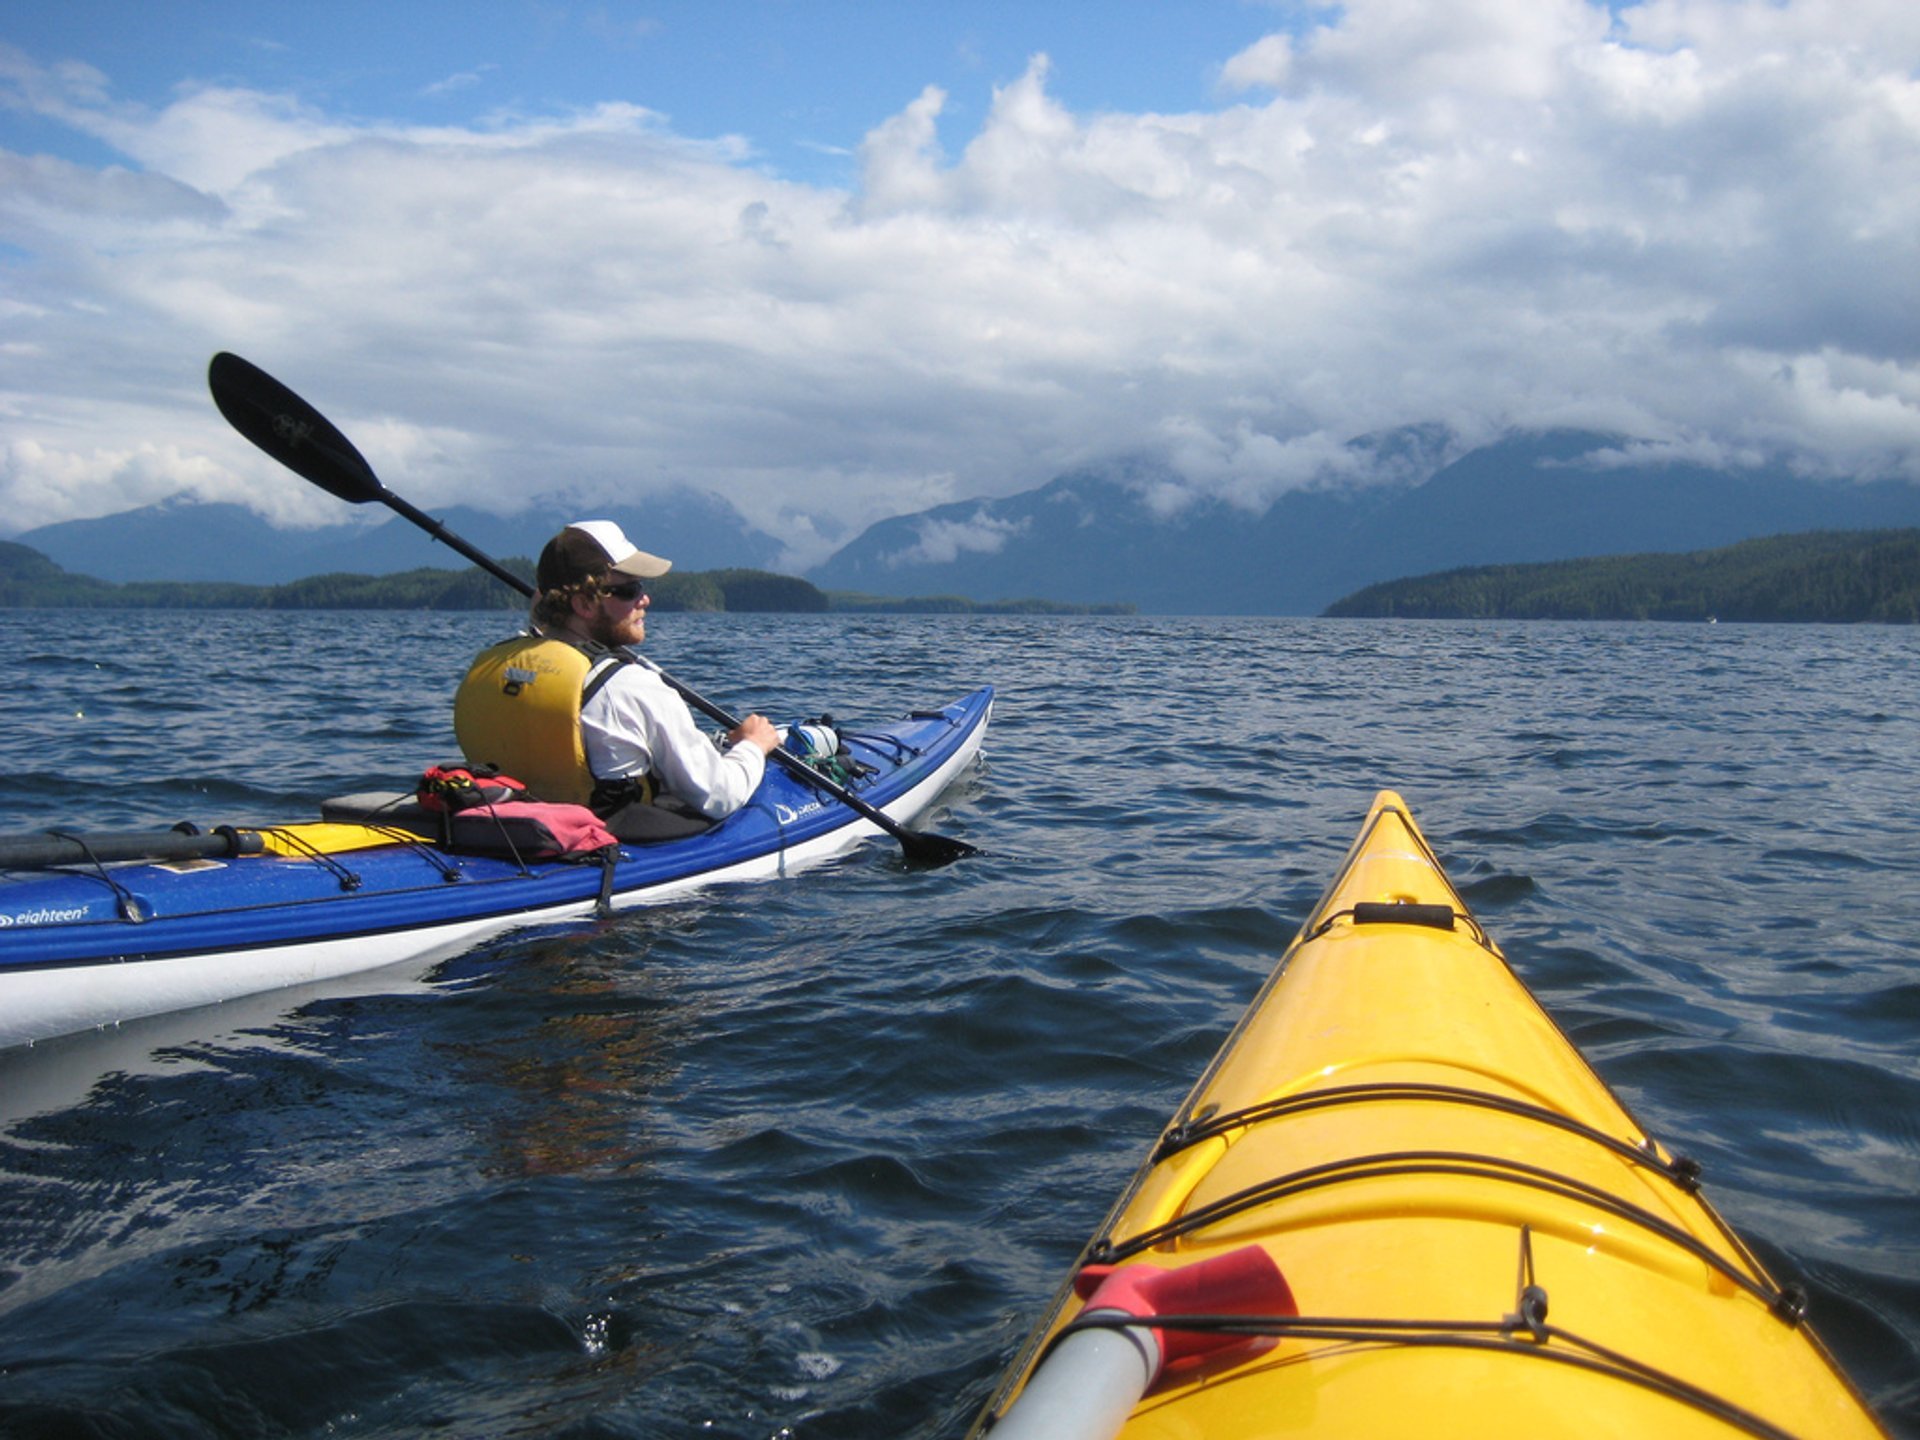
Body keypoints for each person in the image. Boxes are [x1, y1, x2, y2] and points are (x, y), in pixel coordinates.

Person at [453, 519, 779, 840]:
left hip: (505, 828)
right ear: (583, 604)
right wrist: (753, 746)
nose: (644, 600)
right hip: (605, 840)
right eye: (628, 590)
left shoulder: (491, 665)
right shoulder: (628, 686)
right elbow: (720, 795)